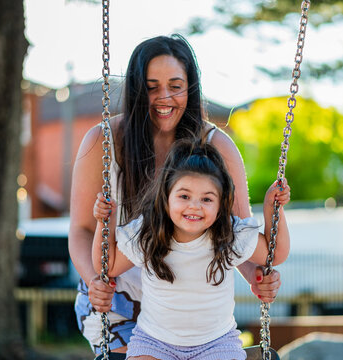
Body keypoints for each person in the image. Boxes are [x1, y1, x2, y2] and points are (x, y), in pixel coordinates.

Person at [68, 34, 282, 355]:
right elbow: (82, 229)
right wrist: (95, 280)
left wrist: (256, 275)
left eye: (175, 85)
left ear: (190, 87)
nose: (164, 97)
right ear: (137, 90)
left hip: (187, 304)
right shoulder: (104, 142)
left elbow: (237, 230)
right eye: (152, 87)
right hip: (118, 296)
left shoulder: (216, 148)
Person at [92, 140, 290, 359]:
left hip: (216, 343)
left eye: (206, 199)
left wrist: (273, 209)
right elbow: (107, 265)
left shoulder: (230, 235)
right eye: (184, 196)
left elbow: (276, 253)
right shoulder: (148, 235)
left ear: (221, 204)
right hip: (154, 342)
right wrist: (104, 222)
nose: (195, 206)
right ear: (166, 197)